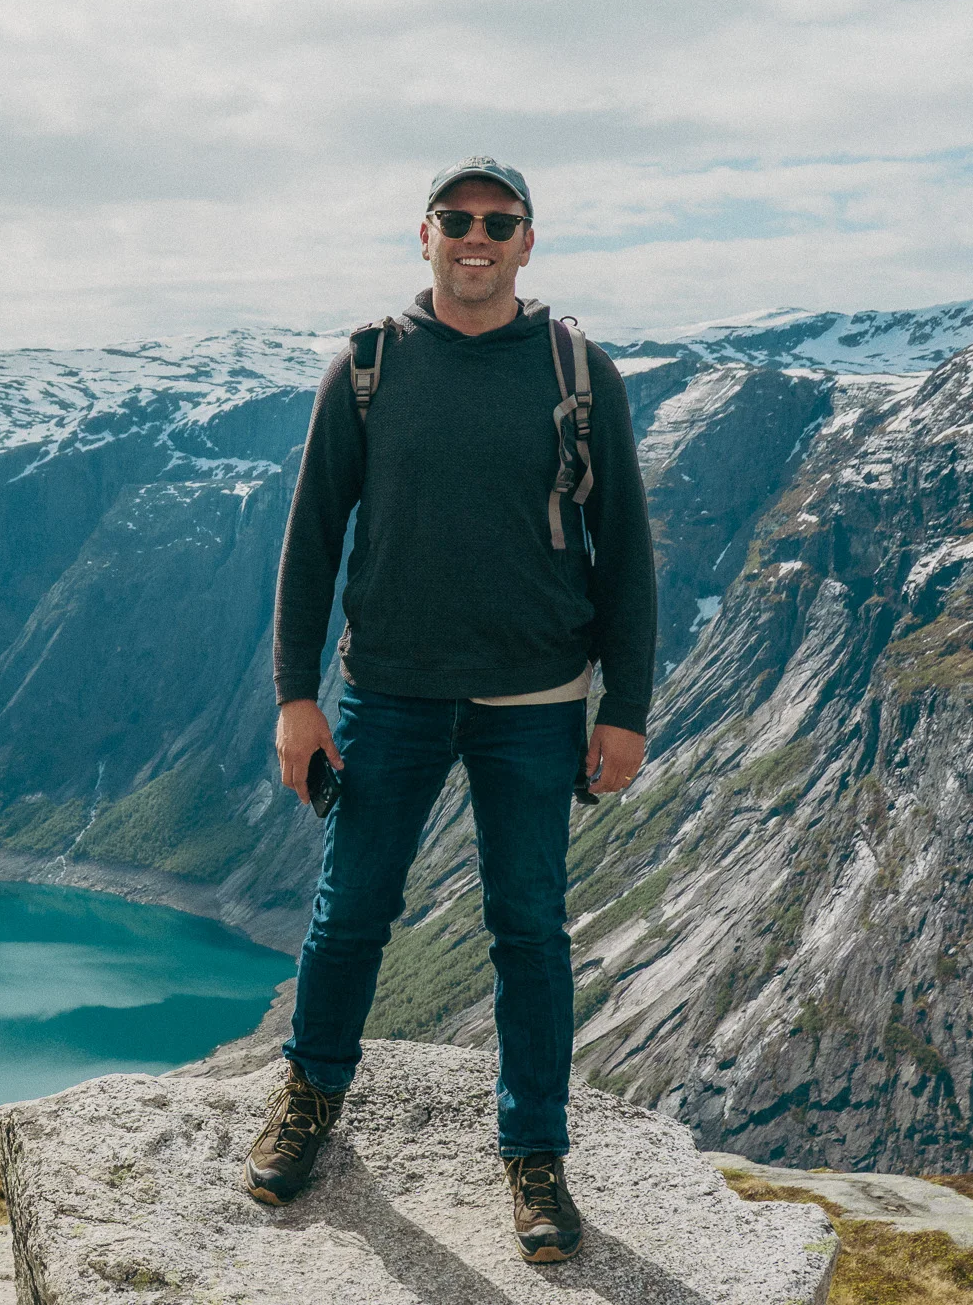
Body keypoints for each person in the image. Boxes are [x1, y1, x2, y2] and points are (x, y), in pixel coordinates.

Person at [245, 154, 657, 1264]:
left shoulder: (579, 372)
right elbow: (310, 539)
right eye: (455, 219)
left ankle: (533, 1155)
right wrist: (294, 695)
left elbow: (624, 552)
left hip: (536, 700)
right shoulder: (368, 367)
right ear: (420, 235)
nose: (475, 237)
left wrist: (626, 708)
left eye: (498, 222)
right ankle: (309, 1102)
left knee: (527, 930)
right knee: (348, 916)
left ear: (529, 243)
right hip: (389, 693)